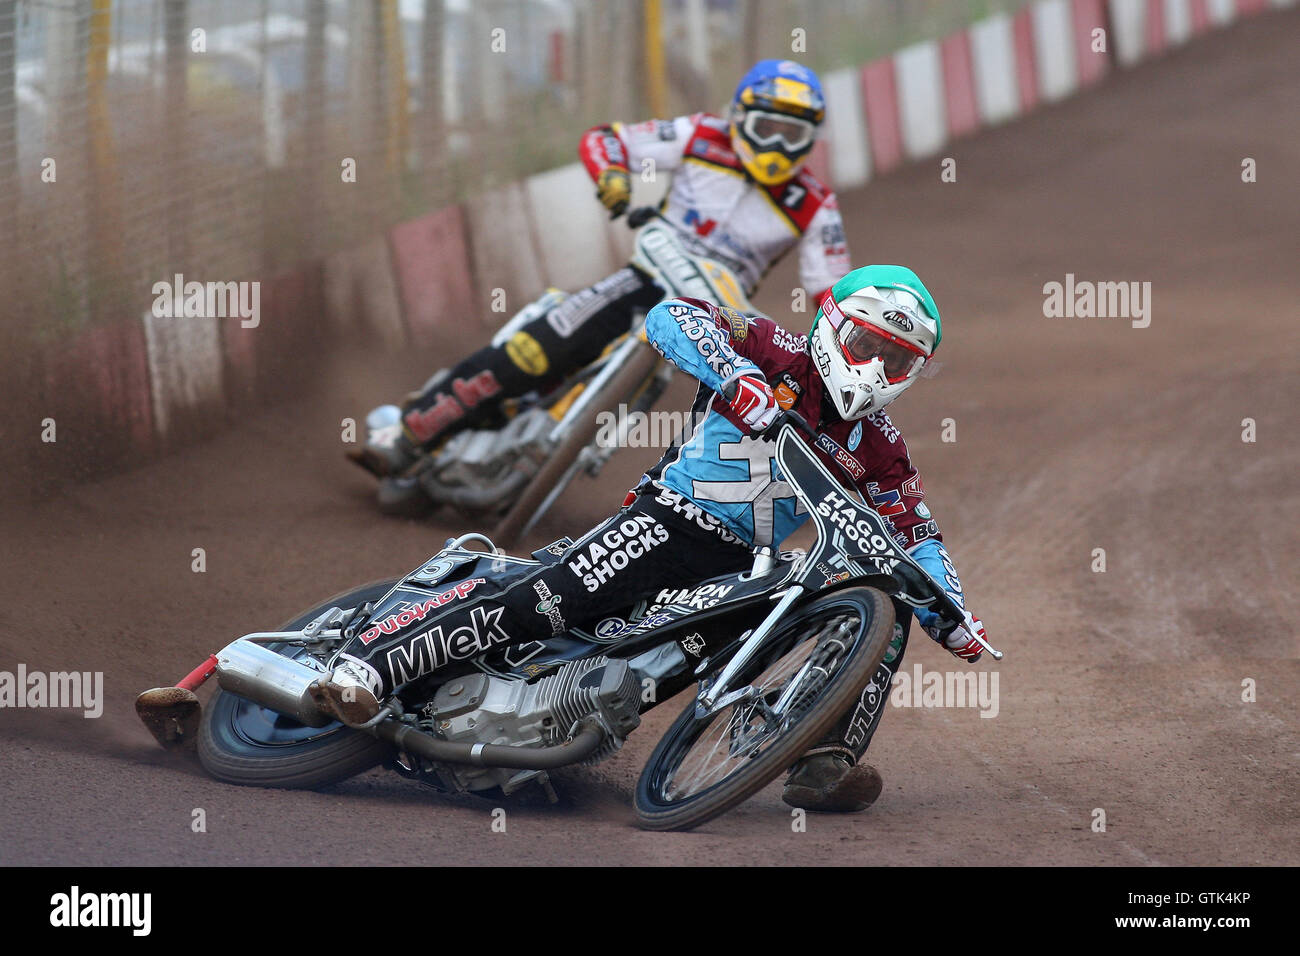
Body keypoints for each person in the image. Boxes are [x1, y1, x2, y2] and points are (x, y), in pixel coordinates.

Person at [315, 264, 990, 813]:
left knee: (886, 598)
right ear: (829, 326)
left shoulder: (881, 448)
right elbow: (672, 316)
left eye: (897, 359)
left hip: (752, 571)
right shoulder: (771, 347)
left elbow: (914, 532)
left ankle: (823, 757)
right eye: (866, 345)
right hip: (669, 520)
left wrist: (952, 613)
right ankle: (375, 664)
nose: (874, 368)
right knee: (549, 602)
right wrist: (734, 375)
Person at [347, 59, 852, 510]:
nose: (777, 145)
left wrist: (842, 347)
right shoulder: (701, 135)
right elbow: (606, 138)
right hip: (649, 275)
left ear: (810, 139)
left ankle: (662, 486)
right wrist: (613, 176)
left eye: (792, 135)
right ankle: (410, 433)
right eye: (768, 128)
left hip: (713, 311)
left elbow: (829, 292)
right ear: (739, 117)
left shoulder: (815, 202)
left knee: (736, 401)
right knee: (534, 349)